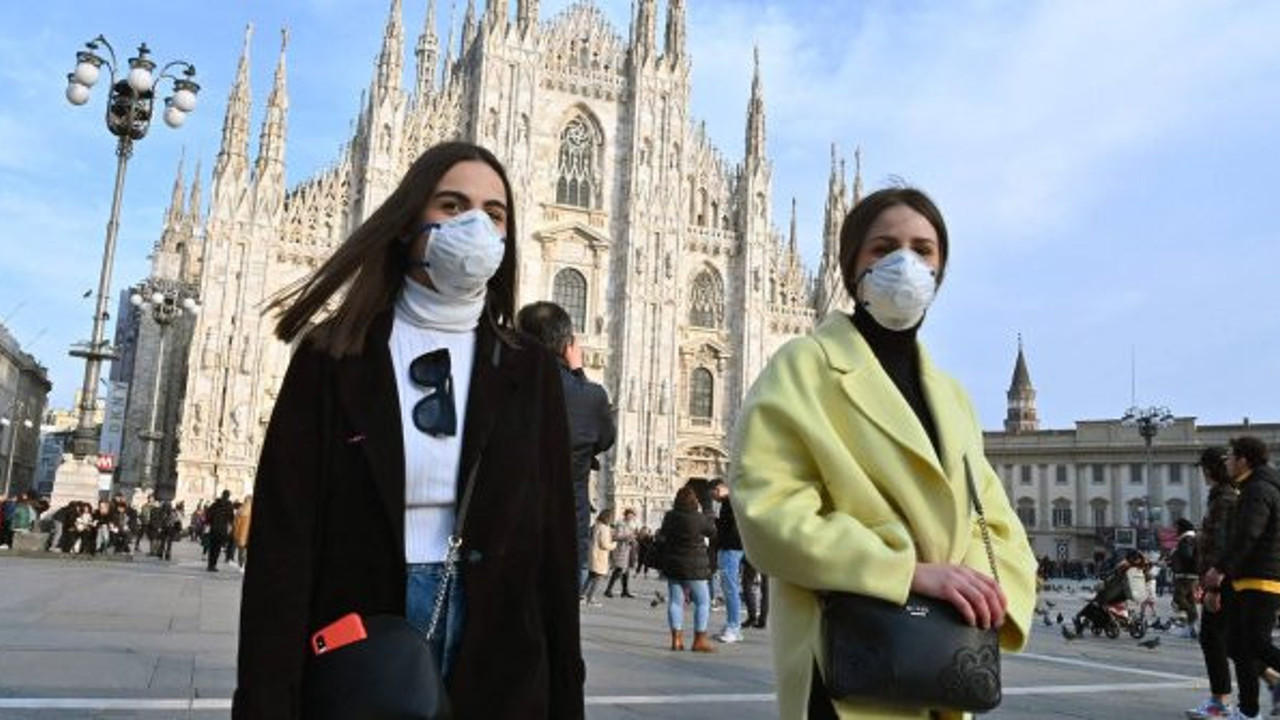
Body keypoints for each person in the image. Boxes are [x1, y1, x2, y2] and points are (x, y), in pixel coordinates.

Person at [233, 142, 583, 720]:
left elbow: (552, 544)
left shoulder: (528, 369)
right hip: (363, 636)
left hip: (497, 644)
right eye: (451, 205)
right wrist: (266, 700)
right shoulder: (333, 355)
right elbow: (283, 547)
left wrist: (567, 698)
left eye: (494, 214)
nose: (474, 225)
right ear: (406, 223)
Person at [730, 187, 1038, 719]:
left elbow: (996, 521)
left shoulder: (952, 396)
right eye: (883, 248)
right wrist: (906, 573)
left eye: (923, 250)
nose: (905, 262)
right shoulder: (805, 366)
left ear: (940, 272)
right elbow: (768, 510)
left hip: (941, 660)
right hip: (845, 662)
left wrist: (981, 589)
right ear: (850, 265)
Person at [516, 300, 616, 589]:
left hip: (510, 526)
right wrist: (579, 375)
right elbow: (603, 438)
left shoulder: (501, 383)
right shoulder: (591, 396)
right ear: (567, 345)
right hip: (566, 530)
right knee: (556, 625)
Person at [1204, 436, 1280, 720]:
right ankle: (1248, 712)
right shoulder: (1251, 488)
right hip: (1246, 577)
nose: (1228, 462)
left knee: (1256, 644)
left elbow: (1248, 534)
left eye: (1231, 457)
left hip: (1261, 578)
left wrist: (1219, 569)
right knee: (1237, 645)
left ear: (1244, 460)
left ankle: (1249, 711)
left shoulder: (1257, 490)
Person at [1188, 447, 1240, 719]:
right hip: (1222, 578)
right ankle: (1272, 678)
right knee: (1231, 640)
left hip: (1221, 580)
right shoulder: (1225, 497)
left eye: (1204, 468)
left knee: (1212, 638)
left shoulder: (1223, 499)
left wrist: (1213, 586)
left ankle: (1220, 702)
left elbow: (1219, 545)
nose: (1204, 474)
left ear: (1210, 469)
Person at [658, 486, 717, 653]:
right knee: (703, 602)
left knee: (676, 602)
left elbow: (663, 534)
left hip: (674, 564)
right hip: (695, 566)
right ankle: (699, 640)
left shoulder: (670, 516)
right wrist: (709, 515)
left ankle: (676, 640)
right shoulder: (699, 518)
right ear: (694, 501)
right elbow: (712, 533)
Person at [709, 479, 745, 643]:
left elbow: (732, 527)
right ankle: (732, 625)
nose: (713, 498)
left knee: (730, 588)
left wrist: (715, 523)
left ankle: (734, 627)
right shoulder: (728, 503)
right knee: (728, 588)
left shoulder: (733, 502)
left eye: (713, 494)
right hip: (729, 548)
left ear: (719, 489)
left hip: (731, 548)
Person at [1170, 517, 1199, 636]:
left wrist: (1175, 555)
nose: (1175, 530)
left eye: (1177, 528)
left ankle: (1193, 619)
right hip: (1191, 575)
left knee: (1178, 599)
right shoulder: (1192, 538)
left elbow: (1187, 555)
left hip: (1186, 575)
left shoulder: (1186, 539)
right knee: (1190, 600)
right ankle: (1191, 627)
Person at [582, 509, 615, 606]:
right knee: (598, 578)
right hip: (600, 556)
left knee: (591, 576)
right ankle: (590, 598)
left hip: (593, 554)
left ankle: (582, 595)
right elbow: (604, 544)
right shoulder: (604, 528)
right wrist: (614, 545)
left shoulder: (596, 526)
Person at [604, 508, 637, 598]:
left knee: (626, 571)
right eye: (630, 515)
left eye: (633, 515)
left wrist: (633, 539)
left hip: (628, 549)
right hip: (620, 550)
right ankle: (608, 590)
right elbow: (616, 536)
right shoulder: (620, 524)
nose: (632, 517)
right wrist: (628, 536)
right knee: (618, 570)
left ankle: (625, 591)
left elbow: (630, 536)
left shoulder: (631, 525)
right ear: (626, 515)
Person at [205, 490, 235, 572]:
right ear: (228, 496)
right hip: (222, 530)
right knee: (217, 548)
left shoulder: (215, 504)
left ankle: (210, 565)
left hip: (214, 529)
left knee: (212, 547)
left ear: (222, 495)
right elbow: (231, 518)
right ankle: (213, 565)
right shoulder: (229, 505)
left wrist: (210, 522)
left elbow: (208, 515)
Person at [232, 495, 253, 568]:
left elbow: (235, 523)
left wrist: (235, 533)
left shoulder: (240, 510)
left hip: (241, 534)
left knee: (241, 550)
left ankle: (241, 564)